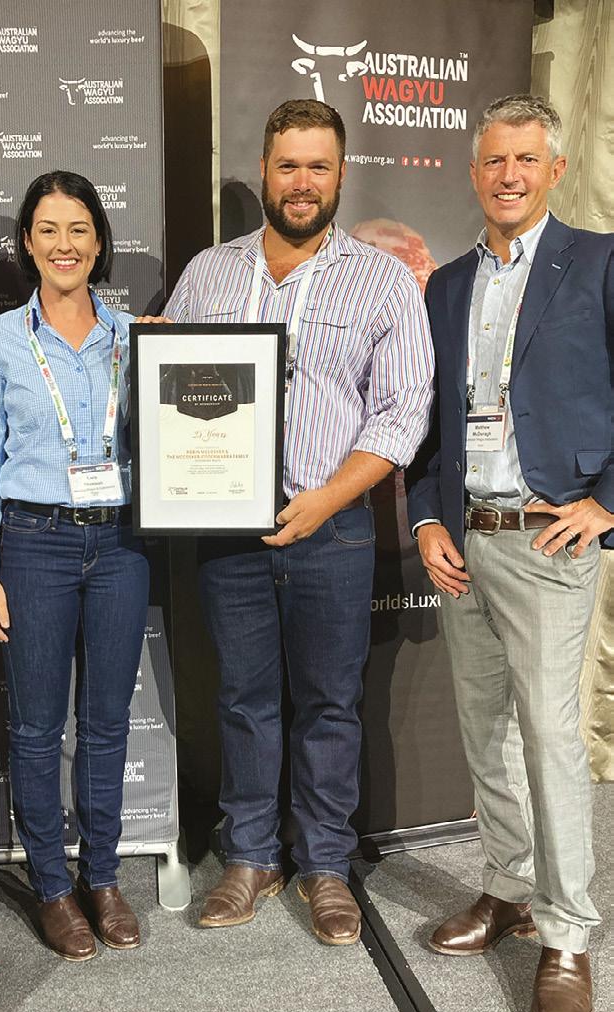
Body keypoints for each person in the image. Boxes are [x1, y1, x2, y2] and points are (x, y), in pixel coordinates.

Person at [164, 99, 434, 944]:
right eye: (288, 166)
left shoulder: (381, 279)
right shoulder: (209, 273)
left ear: (341, 174)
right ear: (263, 171)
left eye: (318, 166)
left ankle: (323, 865)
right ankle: (250, 857)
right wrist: (152, 356)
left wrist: (326, 496)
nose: (302, 182)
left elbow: (403, 410)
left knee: (328, 705)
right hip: (227, 531)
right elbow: (170, 386)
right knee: (243, 701)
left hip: (333, 525)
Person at [407, 94, 613, 1012]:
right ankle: (507, 887)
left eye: (526, 160)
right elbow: (427, 424)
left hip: (547, 545)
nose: (508, 175)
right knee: (482, 730)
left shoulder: (600, 263)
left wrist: (606, 503)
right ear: (472, 170)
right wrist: (426, 520)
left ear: (554, 170)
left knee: (550, 740)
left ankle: (566, 934)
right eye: (493, 160)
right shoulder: (447, 283)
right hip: (465, 542)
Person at [0, 171, 149, 961]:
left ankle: (101, 877)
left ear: (98, 242)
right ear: (26, 245)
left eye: (78, 229)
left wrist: (185, 362)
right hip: (32, 544)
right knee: (36, 729)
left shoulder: (137, 337)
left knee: (106, 725)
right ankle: (50, 886)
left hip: (121, 547)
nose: (64, 245)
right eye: (48, 230)